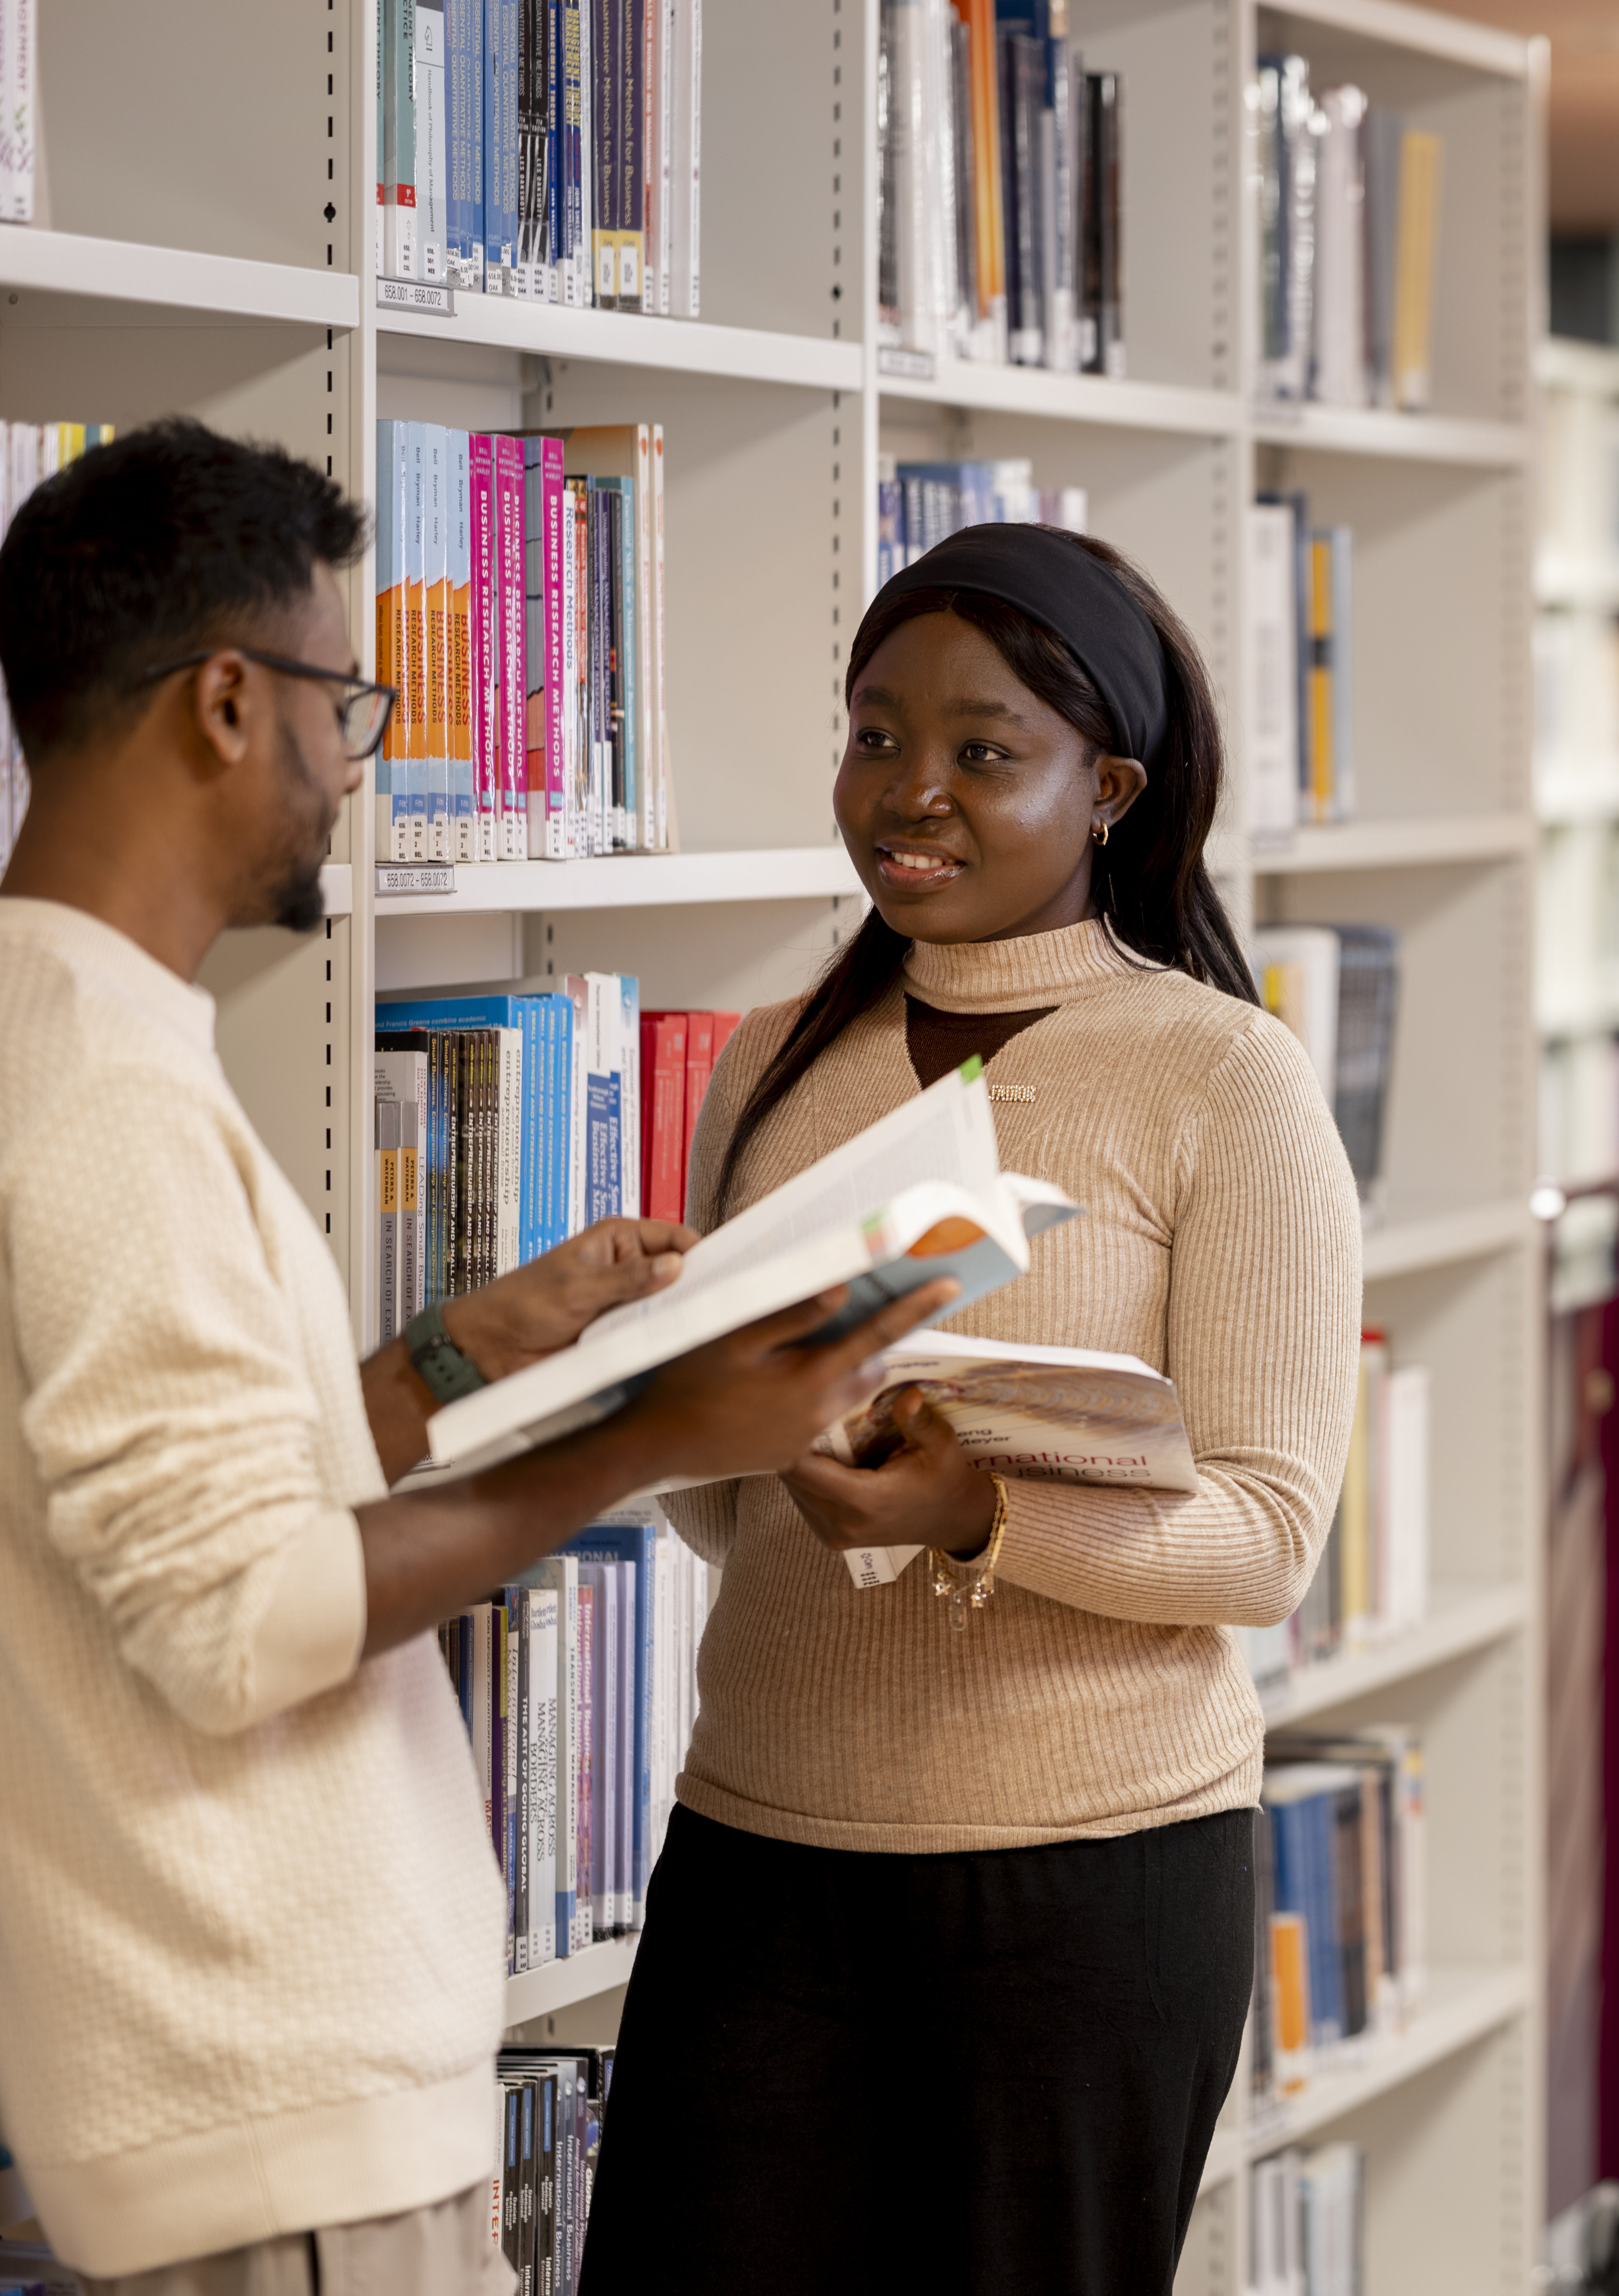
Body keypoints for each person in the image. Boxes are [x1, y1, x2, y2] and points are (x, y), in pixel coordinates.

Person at [0, 420, 946, 2294]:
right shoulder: (102, 1094)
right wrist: (657, 1430)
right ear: (222, 704)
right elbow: (236, 1619)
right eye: (342, 713)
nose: (351, 773)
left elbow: (182, 1506)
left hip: (254, 2108)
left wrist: (450, 1357)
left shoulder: (63, 1031)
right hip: (272, 2120)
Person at [574, 525, 1363, 2294]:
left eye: (982, 751)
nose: (907, 792)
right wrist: (688, 1399)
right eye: (873, 734)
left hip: (1089, 1884)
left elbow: (1265, 1539)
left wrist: (978, 1515)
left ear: (1111, 790)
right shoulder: (776, 1065)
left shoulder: (1219, 1078)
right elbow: (720, 1509)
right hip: (761, 1846)